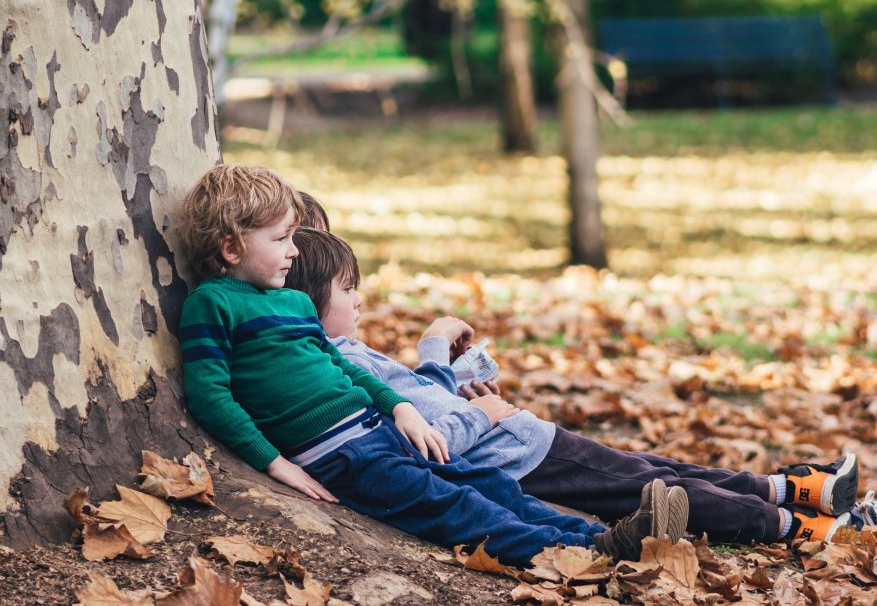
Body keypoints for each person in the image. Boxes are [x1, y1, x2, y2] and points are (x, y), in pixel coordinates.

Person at [285, 221, 877, 551]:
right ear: (306, 300)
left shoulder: (340, 350)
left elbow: (423, 405)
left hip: (522, 441)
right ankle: (831, 532)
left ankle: (799, 489)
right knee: (663, 492)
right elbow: (426, 435)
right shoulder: (330, 365)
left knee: (661, 470)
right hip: (515, 458)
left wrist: (461, 380)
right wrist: (464, 389)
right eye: (348, 290)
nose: (360, 300)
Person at [174, 164, 690, 566]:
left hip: (380, 429)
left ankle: (604, 538)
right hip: (341, 457)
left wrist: (401, 408)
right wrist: (273, 462)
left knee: (490, 486)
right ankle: (582, 555)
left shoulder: (292, 301)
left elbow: (343, 368)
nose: (293, 252)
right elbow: (211, 397)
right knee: (458, 509)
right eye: (281, 239)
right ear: (231, 247)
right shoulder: (213, 304)